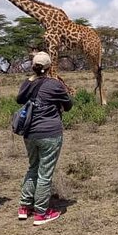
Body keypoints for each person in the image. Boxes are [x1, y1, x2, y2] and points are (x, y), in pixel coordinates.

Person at [17, 51, 73, 225]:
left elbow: (19, 99)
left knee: (33, 167)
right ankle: (41, 212)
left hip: (29, 133)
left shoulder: (27, 83)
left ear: (33, 66)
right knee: (45, 173)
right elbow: (69, 105)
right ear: (49, 67)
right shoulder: (55, 84)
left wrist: (32, 80)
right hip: (49, 133)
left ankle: (24, 206)